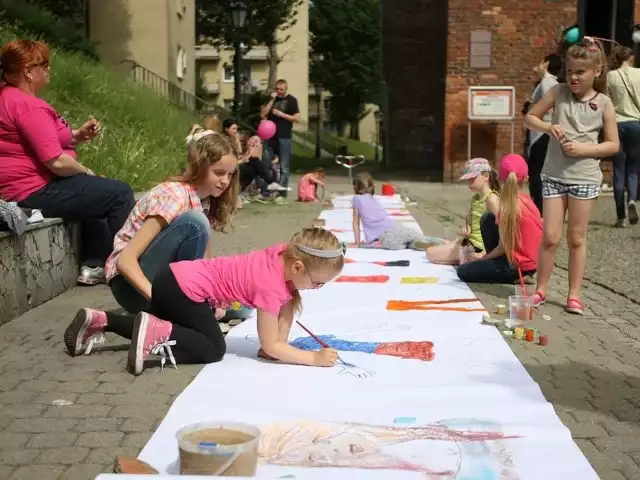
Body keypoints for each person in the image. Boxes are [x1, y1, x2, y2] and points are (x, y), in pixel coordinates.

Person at [63, 228, 344, 376]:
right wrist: (312, 359)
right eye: (318, 282)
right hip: (185, 290)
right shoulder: (270, 285)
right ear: (297, 267)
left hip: (172, 279)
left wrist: (280, 346)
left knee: (170, 326)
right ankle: (156, 334)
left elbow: (286, 306)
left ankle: (102, 320)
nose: (317, 289)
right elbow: (270, 343)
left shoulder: (281, 255)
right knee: (212, 348)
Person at [0, 39, 135, 285]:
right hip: (31, 191)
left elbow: (37, 139)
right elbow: (56, 161)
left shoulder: (7, 97)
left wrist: (76, 135)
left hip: (18, 189)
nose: (48, 69)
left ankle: (93, 265)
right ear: (28, 71)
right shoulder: (27, 105)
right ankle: (130, 269)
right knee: (119, 194)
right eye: (44, 64)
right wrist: (86, 171)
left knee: (96, 192)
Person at [525, 37, 619, 314]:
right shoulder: (558, 92)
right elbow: (531, 117)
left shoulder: (604, 104)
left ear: (597, 71)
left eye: (580, 72)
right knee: (550, 236)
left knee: (576, 238)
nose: (574, 77)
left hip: (585, 178)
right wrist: (548, 127)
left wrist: (583, 149)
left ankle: (573, 295)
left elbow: (613, 145)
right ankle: (541, 289)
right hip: (553, 175)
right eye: (570, 71)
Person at [104, 127, 239, 315]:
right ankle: (180, 308)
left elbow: (204, 262)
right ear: (200, 167)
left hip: (156, 281)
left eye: (230, 174)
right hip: (130, 286)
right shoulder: (175, 196)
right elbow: (126, 261)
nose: (225, 181)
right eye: (219, 173)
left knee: (240, 305)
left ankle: (187, 307)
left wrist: (216, 298)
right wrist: (163, 303)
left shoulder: (204, 202)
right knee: (195, 222)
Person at [456, 154, 542, 284]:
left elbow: (502, 247)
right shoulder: (528, 201)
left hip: (515, 265)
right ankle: (516, 271)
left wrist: (483, 258)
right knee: (488, 219)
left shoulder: (506, 206)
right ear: (526, 178)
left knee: (462, 271)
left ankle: (515, 275)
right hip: (533, 264)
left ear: (501, 178)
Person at [426, 158, 500, 265]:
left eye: (473, 178)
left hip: (481, 249)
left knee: (432, 254)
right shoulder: (475, 198)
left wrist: (484, 254)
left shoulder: (492, 199)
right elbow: (469, 224)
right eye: (468, 179)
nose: (469, 183)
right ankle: (465, 260)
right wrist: (466, 229)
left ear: (486, 176)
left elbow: (500, 234)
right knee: (430, 253)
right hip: (469, 243)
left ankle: (469, 261)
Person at [352, 172, 444, 250]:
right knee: (416, 238)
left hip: (385, 237)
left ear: (357, 187)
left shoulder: (356, 199)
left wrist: (357, 243)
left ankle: (421, 245)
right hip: (397, 227)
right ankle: (443, 242)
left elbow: (355, 224)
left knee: (408, 244)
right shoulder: (374, 200)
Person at [607, 45, 640, 227]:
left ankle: (620, 217)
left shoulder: (611, 76)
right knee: (634, 168)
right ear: (631, 58)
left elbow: (606, 99)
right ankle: (632, 200)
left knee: (618, 168)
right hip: (637, 123)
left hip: (617, 124)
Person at [527, 54, 562, 214]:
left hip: (542, 133)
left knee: (536, 171)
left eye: (541, 61)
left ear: (546, 63)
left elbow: (550, 106)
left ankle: (539, 208)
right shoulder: (550, 82)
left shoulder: (548, 82)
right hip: (544, 132)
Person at [260, 79, 300, 203]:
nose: (279, 92)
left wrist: (281, 114)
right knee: (265, 164)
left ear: (286, 89)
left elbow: (296, 118)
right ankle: (265, 192)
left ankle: (281, 194)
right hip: (270, 136)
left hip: (284, 136)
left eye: (281, 89)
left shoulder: (292, 100)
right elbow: (263, 114)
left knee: (284, 166)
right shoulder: (273, 99)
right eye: (277, 89)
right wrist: (271, 100)